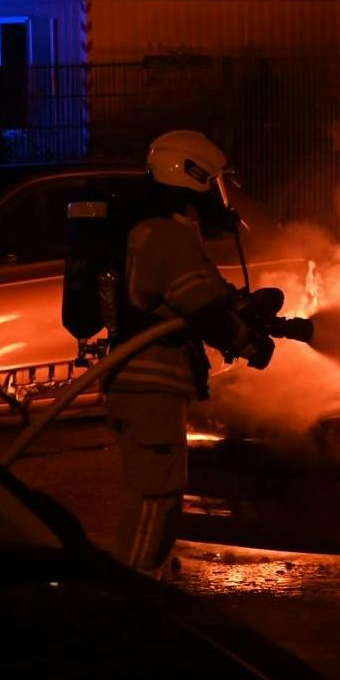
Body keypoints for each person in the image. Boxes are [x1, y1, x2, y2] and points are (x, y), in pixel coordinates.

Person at [104, 130, 274, 574]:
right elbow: (204, 310)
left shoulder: (166, 230)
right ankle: (133, 601)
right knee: (153, 498)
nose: (219, 196)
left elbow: (209, 294)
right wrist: (249, 344)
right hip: (149, 387)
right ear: (191, 175)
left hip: (148, 390)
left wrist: (246, 307)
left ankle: (143, 588)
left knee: (160, 493)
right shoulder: (164, 234)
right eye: (213, 182)